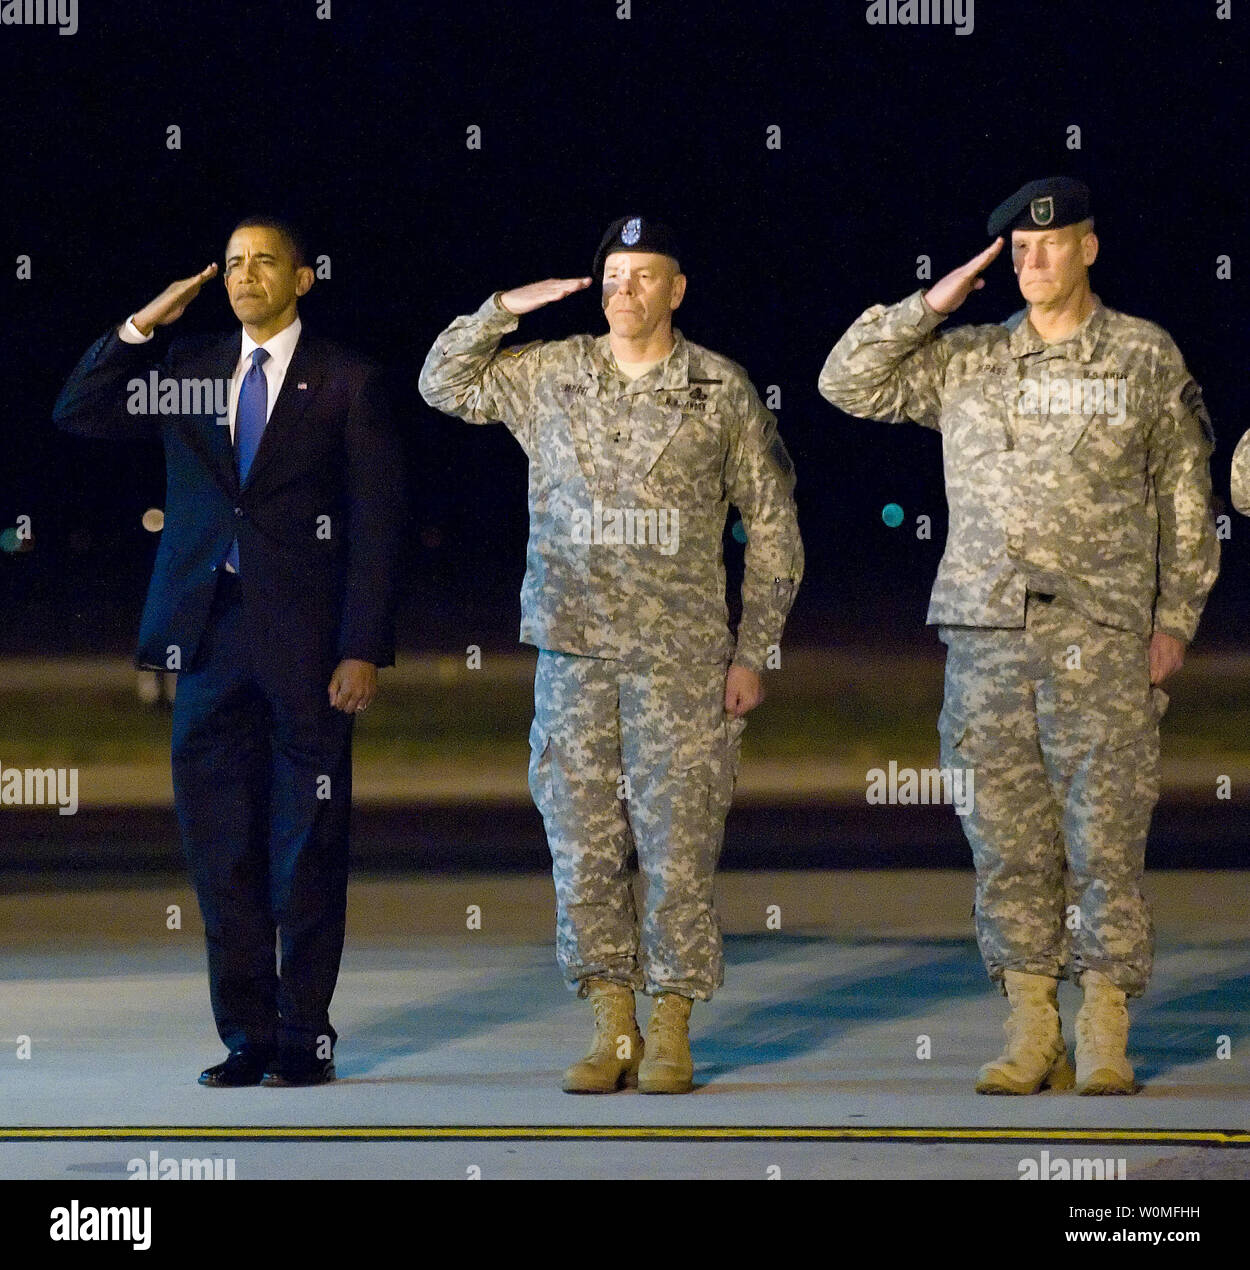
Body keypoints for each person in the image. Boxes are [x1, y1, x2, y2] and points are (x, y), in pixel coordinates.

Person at [819, 177, 1219, 1095]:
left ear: (1089, 246)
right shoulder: (966, 360)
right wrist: (931, 301)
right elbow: (845, 382)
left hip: (1104, 633)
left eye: (1052, 242)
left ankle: (1107, 1023)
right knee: (1005, 841)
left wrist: (1176, 620)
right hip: (988, 635)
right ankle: (1032, 1020)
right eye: (1019, 249)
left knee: (1105, 839)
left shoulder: (1143, 358)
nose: (1034, 259)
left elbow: (1186, 500)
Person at [420, 216, 803, 1093]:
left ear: (676, 289)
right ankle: (612, 1024)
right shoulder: (551, 374)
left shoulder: (719, 390)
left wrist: (754, 652)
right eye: (611, 275)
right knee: (583, 849)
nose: (622, 290)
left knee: (678, 850)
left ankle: (671, 1023)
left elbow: (776, 530)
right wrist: (501, 309)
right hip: (575, 655)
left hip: (684, 660)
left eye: (643, 275)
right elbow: (441, 383)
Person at [53, 217, 404, 1087]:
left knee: (308, 844)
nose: (247, 276)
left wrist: (362, 646)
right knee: (222, 849)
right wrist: (144, 325)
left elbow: (379, 527)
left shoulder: (349, 381)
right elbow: (79, 410)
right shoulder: (191, 368)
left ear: (303, 277)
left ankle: (303, 1034)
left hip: (310, 651)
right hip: (208, 641)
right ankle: (246, 1035)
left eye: (265, 263)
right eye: (236, 264)